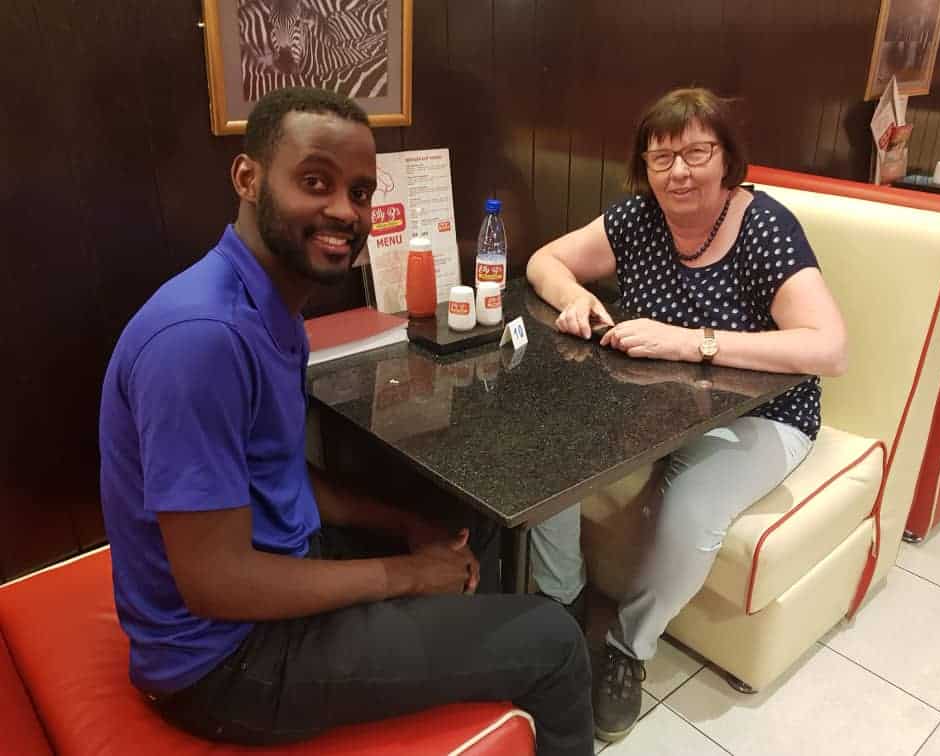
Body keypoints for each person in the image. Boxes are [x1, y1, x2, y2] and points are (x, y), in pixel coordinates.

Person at [98, 87, 592, 755]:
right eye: (314, 182)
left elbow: (277, 473)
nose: (344, 210)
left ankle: (490, 685)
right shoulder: (202, 338)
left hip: (277, 571)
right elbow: (217, 584)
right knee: (557, 643)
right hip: (224, 663)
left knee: (462, 526)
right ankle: (519, 662)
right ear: (247, 178)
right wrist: (408, 574)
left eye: (360, 192)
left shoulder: (266, 302)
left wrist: (403, 527)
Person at [525, 87, 847, 742]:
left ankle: (628, 648)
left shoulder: (765, 227)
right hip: (655, 401)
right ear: (643, 166)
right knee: (548, 452)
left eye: (697, 153)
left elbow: (829, 347)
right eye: (661, 156)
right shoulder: (638, 219)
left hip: (764, 413)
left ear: (727, 159)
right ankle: (563, 604)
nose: (679, 171)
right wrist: (574, 297)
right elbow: (544, 260)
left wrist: (692, 342)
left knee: (692, 507)